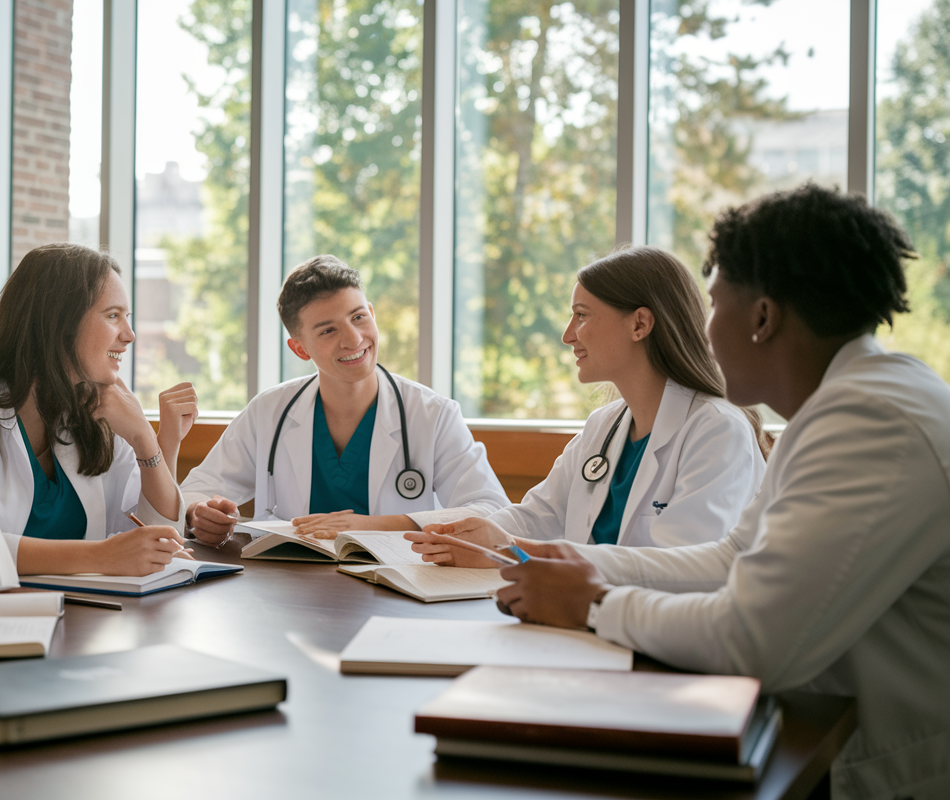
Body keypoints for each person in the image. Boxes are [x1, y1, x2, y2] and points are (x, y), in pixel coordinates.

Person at [481, 185, 950, 799]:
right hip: (820, 740)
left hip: (884, 772)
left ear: (762, 317)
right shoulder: (844, 405)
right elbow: (732, 558)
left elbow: (755, 643)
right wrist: (574, 562)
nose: (702, 328)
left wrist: (593, 603)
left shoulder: (870, 422)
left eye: (712, 304)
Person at [407, 246, 767, 564]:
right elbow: (538, 516)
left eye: (581, 315)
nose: (567, 336)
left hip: (666, 634)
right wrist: (463, 533)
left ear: (639, 324)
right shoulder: (604, 426)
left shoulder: (718, 431)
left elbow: (678, 568)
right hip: (591, 619)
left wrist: (509, 548)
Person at [0, 243, 198, 578]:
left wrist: (144, 440)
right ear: (58, 324)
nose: (130, 335)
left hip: (73, 622)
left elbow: (160, 536)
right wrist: (100, 556)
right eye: (113, 316)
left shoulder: (101, 419)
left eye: (128, 318)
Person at [183, 255, 510, 545]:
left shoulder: (433, 415)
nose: (353, 339)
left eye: (358, 318)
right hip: (289, 588)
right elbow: (195, 491)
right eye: (328, 331)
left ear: (371, 313)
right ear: (300, 348)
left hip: (399, 591)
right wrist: (200, 514)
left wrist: (376, 526)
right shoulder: (268, 412)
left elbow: (492, 511)